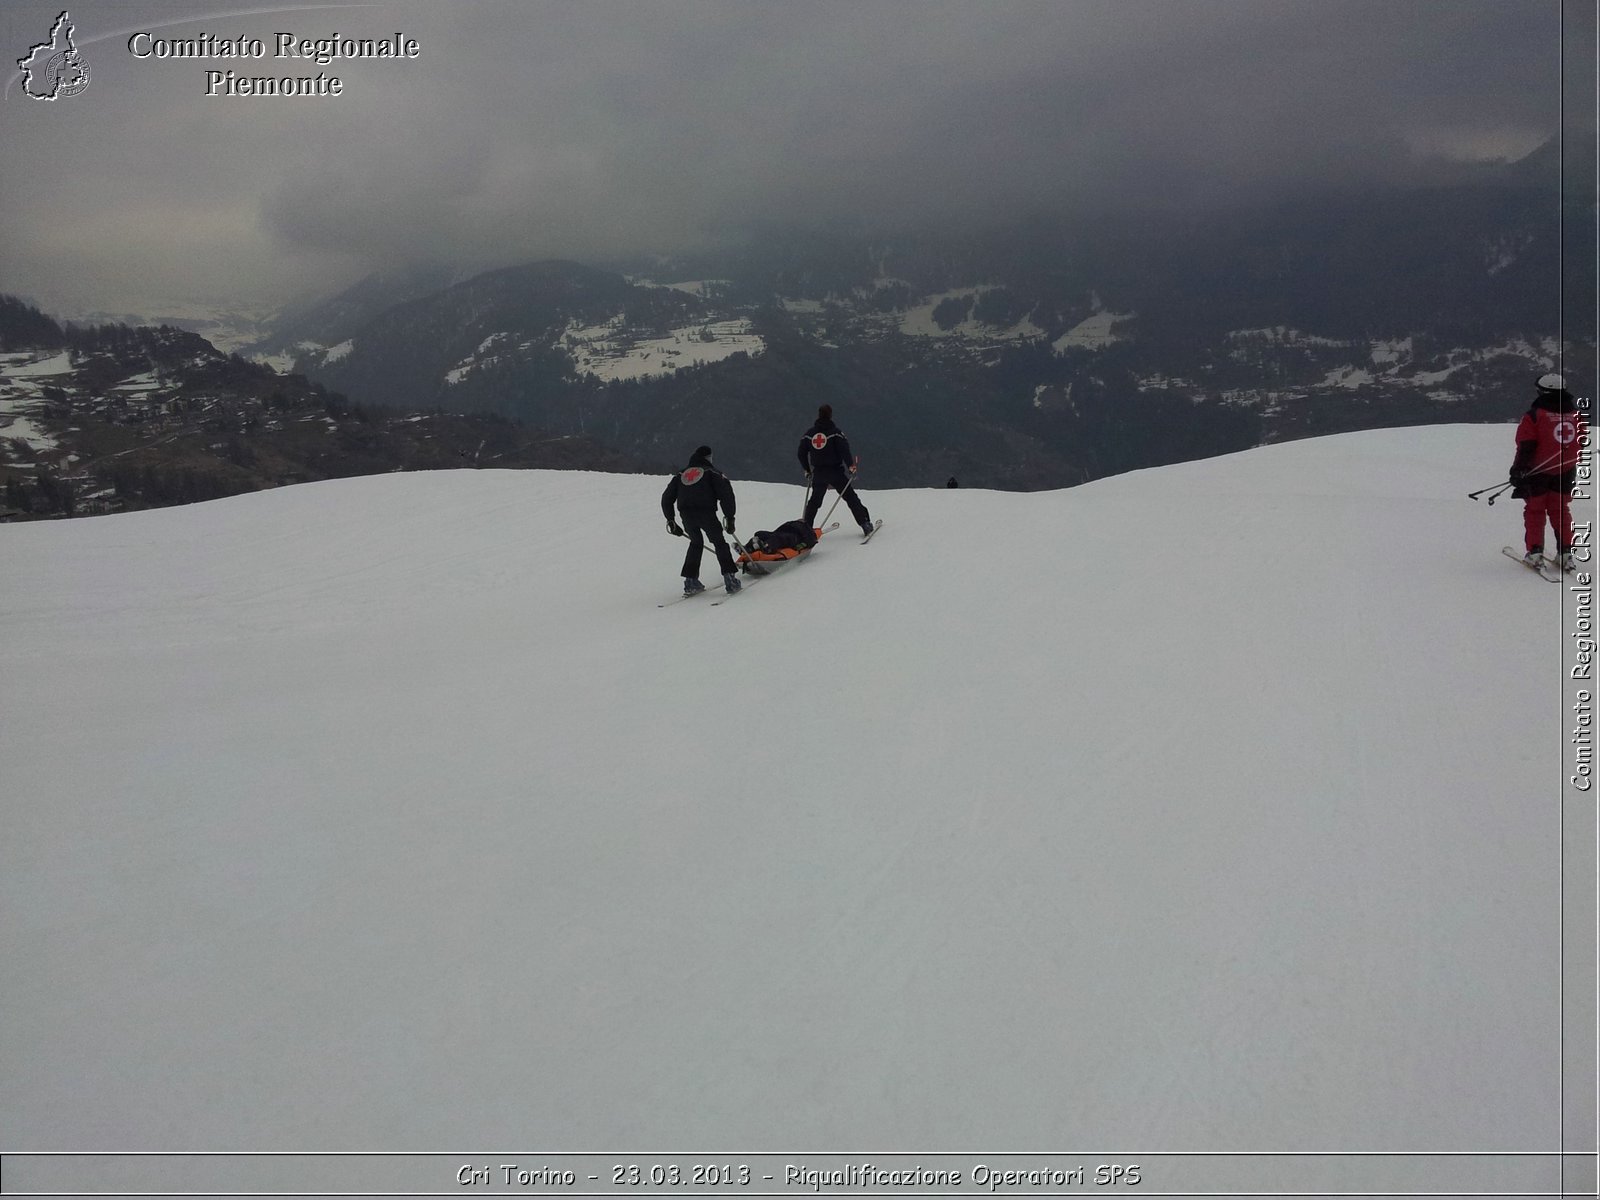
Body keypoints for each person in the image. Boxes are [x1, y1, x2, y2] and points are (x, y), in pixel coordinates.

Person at [1511, 373, 1586, 571]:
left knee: (1535, 510)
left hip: (1538, 472)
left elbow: (1526, 445)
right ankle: (1566, 553)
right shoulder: (1575, 415)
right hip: (1566, 470)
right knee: (1560, 510)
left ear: (1541, 391)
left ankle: (1535, 553)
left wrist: (1518, 470)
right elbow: (1581, 441)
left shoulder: (1535, 415)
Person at [661, 445, 741, 595]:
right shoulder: (712, 473)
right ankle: (730, 579)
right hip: (706, 513)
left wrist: (670, 519)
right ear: (708, 458)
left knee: (696, 543)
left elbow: (666, 498)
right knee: (719, 543)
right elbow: (726, 495)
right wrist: (729, 517)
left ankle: (690, 581)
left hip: (686, 514)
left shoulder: (681, 474)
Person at [797, 404, 873, 536]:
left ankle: (806, 530)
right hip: (835, 472)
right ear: (831, 415)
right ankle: (865, 524)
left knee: (814, 502)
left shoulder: (809, 434)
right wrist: (851, 465)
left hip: (819, 473)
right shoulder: (835, 433)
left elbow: (801, 453)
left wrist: (807, 469)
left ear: (818, 415)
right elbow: (844, 450)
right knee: (850, 498)